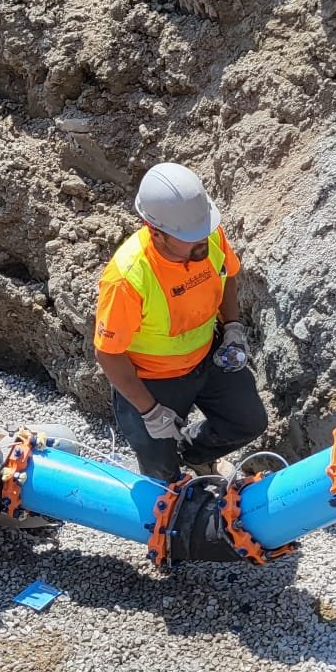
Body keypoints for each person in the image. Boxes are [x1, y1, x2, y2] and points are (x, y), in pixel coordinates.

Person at [94, 162, 269, 482]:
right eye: (190, 238)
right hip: (151, 380)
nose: (203, 240)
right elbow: (108, 353)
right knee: (161, 472)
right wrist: (149, 410)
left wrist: (232, 327)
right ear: (157, 233)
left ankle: (196, 457)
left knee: (248, 422)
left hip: (208, 356)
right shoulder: (129, 277)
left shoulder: (206, 233)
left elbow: (227, 274)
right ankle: (173, 507)